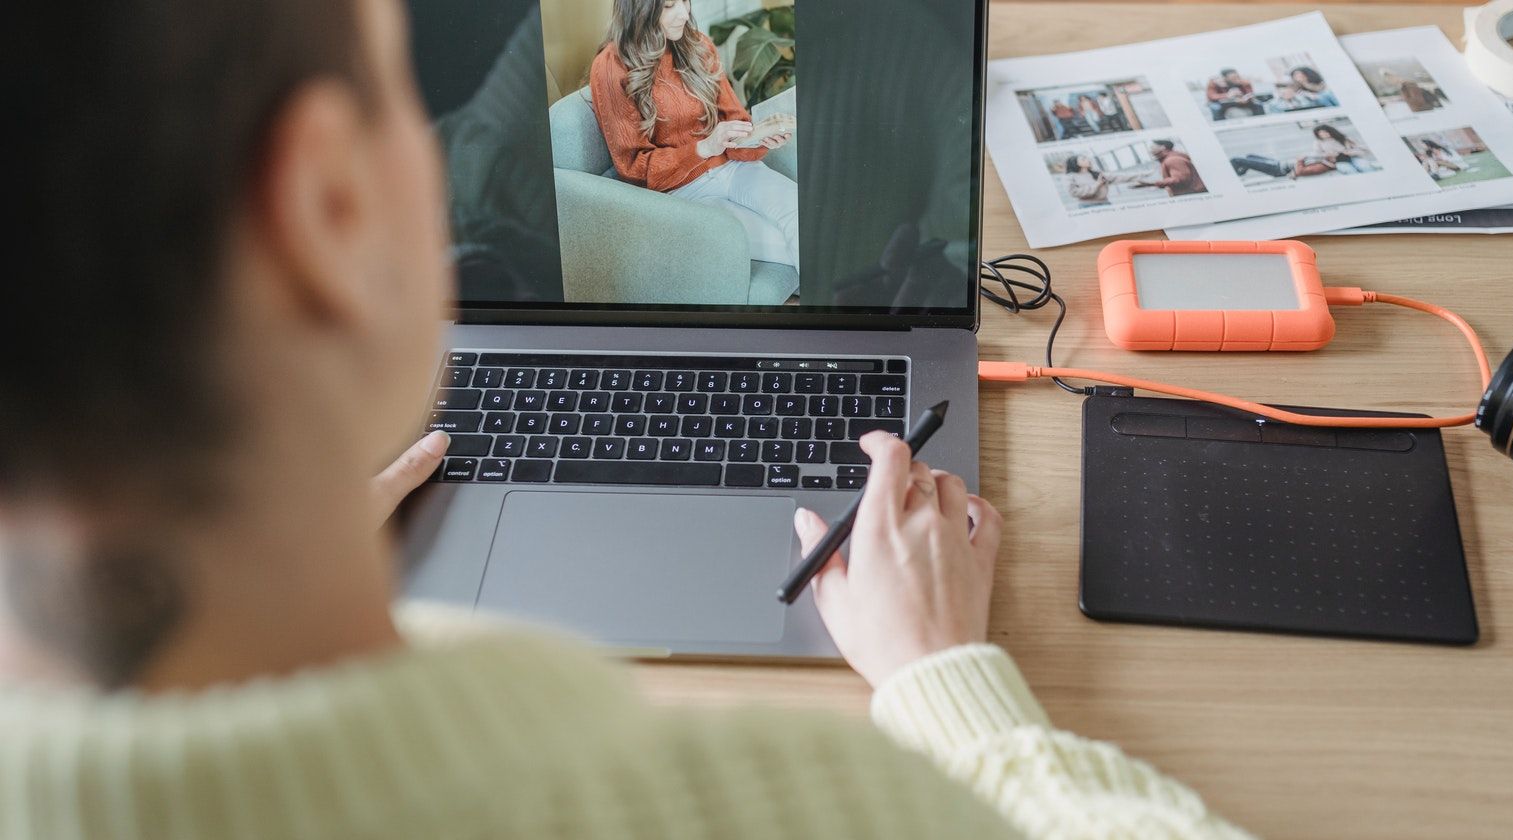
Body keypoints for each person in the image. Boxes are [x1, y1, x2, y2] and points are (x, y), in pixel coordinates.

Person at [3, 0, 1256, 838]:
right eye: (405, 97)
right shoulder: (786, 803)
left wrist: (272, 542)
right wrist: (946, 681)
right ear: (327, 206)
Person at [590, 0, 799, 270]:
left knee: (807, 221)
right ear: (638, 9)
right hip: (682, 192)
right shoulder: (610, 67)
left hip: (731, 167)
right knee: (784, 244)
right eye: (668, 6)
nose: (684, 14)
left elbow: (734, 118)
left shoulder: (697, 44)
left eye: (685, 1)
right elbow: (634, 168)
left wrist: (757, 137)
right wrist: (703, 148)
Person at [1129, 139, 1208, 197]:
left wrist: (1152, 183)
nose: (1150, 150)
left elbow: (1179, 179)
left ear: (1163, 147)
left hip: (1190, 194)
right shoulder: (1170, 158)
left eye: (1152, 147)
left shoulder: (1172, 160)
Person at [1292, 123, 1375, 178]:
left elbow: (1362, 149)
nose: (1323, 135)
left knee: (1365, 167)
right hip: (1337, 161)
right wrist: (1328, 154)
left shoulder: (1344, 138)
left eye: (1325, 132)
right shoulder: (1318, 142)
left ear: (1330, 131)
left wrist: (1350, 152)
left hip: (1353, 158)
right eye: (1321, 134)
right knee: (1350, 171)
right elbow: (1317, 154)